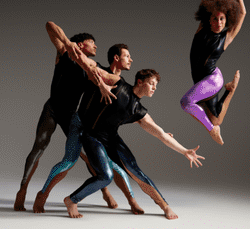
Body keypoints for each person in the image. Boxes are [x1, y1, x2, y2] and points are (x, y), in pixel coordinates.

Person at [65, 44, 205, 220]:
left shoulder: (139, 111)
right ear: (140, 81)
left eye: (156, 85)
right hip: (92, 136)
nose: (154, 88)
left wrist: (184, 151)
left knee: (136, 172)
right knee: (105, 176)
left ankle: (165, 206)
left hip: (112, 139)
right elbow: (93, 68)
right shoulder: (118, 84)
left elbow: (161, 134)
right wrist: (75, 53)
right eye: (152, 83)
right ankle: (72, 200)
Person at [14, 25, 117, 212]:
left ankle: (105, 192)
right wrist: (69, 45)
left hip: (70, 115)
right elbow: (49, 25)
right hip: (52, 109)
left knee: (87, 155)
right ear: (80, 44)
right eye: (92, 43)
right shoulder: (64, 52)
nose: (96, 46)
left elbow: (110, 78)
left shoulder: (92, 66)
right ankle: (22, 190)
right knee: (39, 147)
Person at [33, 43, 141, 214]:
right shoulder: (97, 70)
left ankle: (132, 201)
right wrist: (101, 85)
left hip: (99, 132)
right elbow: (87, 68)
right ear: (116, 58)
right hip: (80, 123)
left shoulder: (124, 85)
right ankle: (42, 195)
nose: (131, 59)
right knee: (69, 161)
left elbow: (125, 113)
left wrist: (158, 130)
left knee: (115, 167)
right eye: (127, 56)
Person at [180, 0, 250, 144]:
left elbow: (243, 13)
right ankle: (230, 90)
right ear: (209, 19)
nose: (219, 23)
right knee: (217, 119)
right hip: (201, 80)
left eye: (222, 19)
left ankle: (212, 131)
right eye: (215, 19)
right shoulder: (202, 29)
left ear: (227, 19)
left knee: (186, 102)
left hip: (212, 80)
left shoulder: (226, 38)